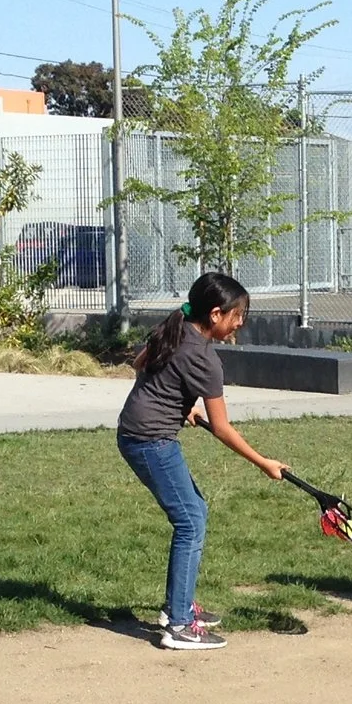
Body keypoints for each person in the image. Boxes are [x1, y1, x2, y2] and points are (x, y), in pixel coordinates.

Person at [116, 272, 285, 651]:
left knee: (195, 513)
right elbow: (222, 428)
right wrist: (264, 463)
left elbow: (141, 364)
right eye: (237, 316)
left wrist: (180, 403)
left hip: (137, 433)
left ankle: (177, 605)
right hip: (150, 441)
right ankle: (178, 624)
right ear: (215, 314)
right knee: (190, 521)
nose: (240, 323)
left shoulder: (174, 328)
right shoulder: (205, 359)